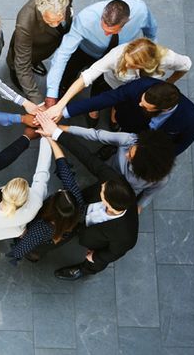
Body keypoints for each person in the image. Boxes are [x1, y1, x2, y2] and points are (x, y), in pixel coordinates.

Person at [33, 113, 140, 280]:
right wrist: (56, 133)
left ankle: (83, 270)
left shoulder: (126, 236)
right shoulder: (115, 181)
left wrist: (96, 258)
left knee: (95, 262)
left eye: (103, 191)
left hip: (89, 235)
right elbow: (88, 159)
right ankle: (36, 251)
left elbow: (114, 252)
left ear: (109, 205)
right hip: (77, 209)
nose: (101, 185)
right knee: (56, 235)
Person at [44, 0, 158, 120]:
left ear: (127, 21)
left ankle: (94, 106)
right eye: (104, 29)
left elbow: (151, 32)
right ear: (102, 16)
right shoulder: (85, 19)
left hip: (119, 56)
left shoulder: (141, 11)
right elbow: (62, 54)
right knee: (69, 72)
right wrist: (52, 93)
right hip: (85, 51)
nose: (106, 34)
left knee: (104, 82)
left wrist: (150, 51)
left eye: (112, 32)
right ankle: (62, 90)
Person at [35, 116, 177, 213]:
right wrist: (58, 129)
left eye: (132, 158)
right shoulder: (130, 140)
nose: (126, 154)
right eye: (130, 151)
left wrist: (138, 207)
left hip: (121, 191)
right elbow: (96, 135)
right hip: (107, 168)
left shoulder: (161, 179)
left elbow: (148, 195)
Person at [44, 38, 191, 124]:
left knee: (125, 105)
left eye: (133, 64)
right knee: (99, 95)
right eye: (126, 60)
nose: (126, 66)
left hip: (138, 93)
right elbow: (86, 77)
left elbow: (186, 65)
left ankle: (115, 109)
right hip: (111, 84)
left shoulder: (167, 58)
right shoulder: (116, 55)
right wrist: (60, 105)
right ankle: (95, 109)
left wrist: (170, 82)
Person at [56, 78, 194, 156]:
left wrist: (150, 157)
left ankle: (116, 147)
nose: (139, 104)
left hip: (153, 141)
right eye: (141, 100)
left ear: (163, 109)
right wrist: (63, 111)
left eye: (145, 106)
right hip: (129, 120)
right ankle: (113, 144)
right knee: (121, 133)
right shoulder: (140, 86)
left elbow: (179, 147)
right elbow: (106, 98)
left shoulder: (192, 119)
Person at [5, 140, 84, 265]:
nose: (59, 189)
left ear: (52, 208)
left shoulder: (42, 227)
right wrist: (51, 139)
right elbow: (64, 170)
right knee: (42, 249)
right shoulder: (77, 201)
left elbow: (24, 246)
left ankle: (33, 257)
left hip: (44, 239)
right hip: (60, 236)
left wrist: (17, 248)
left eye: (58, 193)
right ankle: (35, 256)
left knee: (34, 249)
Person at [6, 0, 74, 105]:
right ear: (41, 11)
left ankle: (35, 62)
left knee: (37, 57)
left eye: (60, 19)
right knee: (19, 66)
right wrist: (38, 101)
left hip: (47, 45)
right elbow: (22, 66)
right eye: (51, 21)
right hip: (32, 46)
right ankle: (15, 75)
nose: (55, 25)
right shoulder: (25, 23)